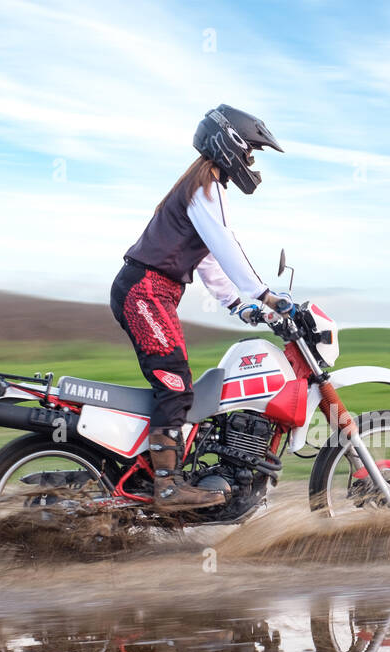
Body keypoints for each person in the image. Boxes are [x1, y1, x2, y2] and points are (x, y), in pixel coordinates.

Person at [111, 105, 294, 511]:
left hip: (151, 292)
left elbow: (209, 257)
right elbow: (226, 246)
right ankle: (169, 486)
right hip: (144, 292)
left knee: (179, 383)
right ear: (229, 144)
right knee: (175, 382)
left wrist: (238, 305)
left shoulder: (204, 188)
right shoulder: (205, 188)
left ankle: (170, 472)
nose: (250, 161)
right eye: (250, 151)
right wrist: (265, 295)